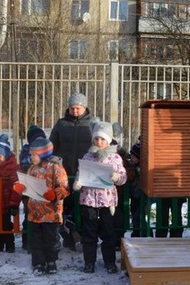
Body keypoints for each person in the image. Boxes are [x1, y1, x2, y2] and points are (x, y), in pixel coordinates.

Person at [73, 121, 126, 273]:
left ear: (108, 140)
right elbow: (81, 172)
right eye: (96, 139)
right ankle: (89, 262)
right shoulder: (87, 156)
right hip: (89, 200)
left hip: (107, 202)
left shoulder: (115, 158)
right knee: (89, 234)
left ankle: (110, 262)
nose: (99, 142)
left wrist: (116, 177)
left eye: (102, 139)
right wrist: (78, 182)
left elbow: (123, 177)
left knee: (108, 234)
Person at [14, 136, 70, 275]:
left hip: (51, 213)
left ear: (43, 154)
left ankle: (51, 261)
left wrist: (55, 194)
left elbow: (65, 188)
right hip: (35, 212)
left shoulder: (56, 168)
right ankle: (38, 263)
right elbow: (28, 186)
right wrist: (21, 187)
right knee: (36, 240)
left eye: (33, 154)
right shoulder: (32, 169)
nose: (31, 157)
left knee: (51, 240)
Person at [50, 92, 98, 250]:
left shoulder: (92, 124)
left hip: (86, 172)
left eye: (77, 108)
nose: (75, 111)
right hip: (65, 171)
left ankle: (86, 237)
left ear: (84, 107)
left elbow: (100, 144)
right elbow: (53, 145)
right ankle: (69, 237)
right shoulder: (61, 124)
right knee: (65, 206)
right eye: (72, 108)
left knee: (86, 206)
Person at [18, 124, 46, 251]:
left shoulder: (46, 151)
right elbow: (24, 164)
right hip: (28, 189)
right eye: (35, 140)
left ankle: (41, 241)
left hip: (43, 188)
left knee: (44, 215)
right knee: (29, 215)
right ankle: (27, 241)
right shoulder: (26, 151)